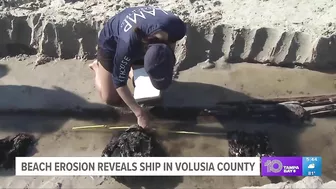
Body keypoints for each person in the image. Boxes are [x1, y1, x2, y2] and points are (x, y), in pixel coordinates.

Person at [89, 6, 187, 129]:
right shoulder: (126, 46)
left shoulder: (178, 27)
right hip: (112, 42)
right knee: (110, 98)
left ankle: (130, 68)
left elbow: (170, 47)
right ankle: (97, 67)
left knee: (152, 95)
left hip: (143, 32)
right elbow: (119, 82)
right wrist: (139, 114)